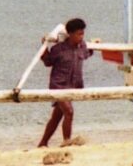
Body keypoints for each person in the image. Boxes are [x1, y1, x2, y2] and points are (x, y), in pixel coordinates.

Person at [38, 18, 93, 148]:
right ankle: (67, 141)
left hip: (73, 86)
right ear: (70, 34)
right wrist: (44, 46)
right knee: (69, 112)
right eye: (79, 34)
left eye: (83, 33)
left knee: (57, 117)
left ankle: (43, 143)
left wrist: (95, 44)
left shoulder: (83, 46)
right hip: (58, 86)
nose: (81, 36)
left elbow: (87, 53)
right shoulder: (59, 49)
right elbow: (48, 62)